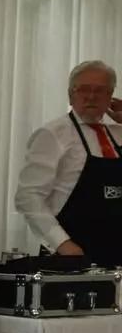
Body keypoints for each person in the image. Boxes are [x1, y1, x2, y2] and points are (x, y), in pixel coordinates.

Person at [15, 60, 122, 267]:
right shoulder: (53, 134)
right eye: (83, 89)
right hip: (73, 257)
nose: (91, 96)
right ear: (70, 94)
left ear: (110, 96)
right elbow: (28, 197)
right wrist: (63, 244)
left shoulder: (118, 133)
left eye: (100, 91)